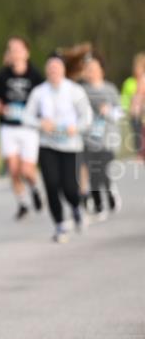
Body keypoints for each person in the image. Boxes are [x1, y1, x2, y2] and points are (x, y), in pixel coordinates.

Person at [22, 55, 93, 243]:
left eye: (57, 68)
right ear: (47, 72)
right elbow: (26, 117)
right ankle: (60, 225)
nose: (53, 72)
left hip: (71, 145)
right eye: (50, 69)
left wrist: (75, 127)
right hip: (48, 146)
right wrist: (40, 123)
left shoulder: (74, 91)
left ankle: (76, 208)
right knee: (51, 185)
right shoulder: (39, 92)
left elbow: (87, 117)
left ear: (63, 71)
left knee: (70, 188)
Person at [0, 36, 44, 220]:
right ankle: (23, 203)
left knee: (27, 171)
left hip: (28, 128)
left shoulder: (35, 76)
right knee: (13, 170)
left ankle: (35, 188)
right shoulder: (2, 76)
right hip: (8, 127)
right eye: (11, 49)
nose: (15, 53)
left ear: (26, 52)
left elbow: (43, 104)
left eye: (18, 49)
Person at [79, 53, 122, 219]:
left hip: (108, 138)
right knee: (93, 171)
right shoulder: (81, 90)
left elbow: (119, 113)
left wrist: (108, 111)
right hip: (90, 138)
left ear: (101, 70)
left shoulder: (110, 88)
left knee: (103, 169)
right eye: (88, 69)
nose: (91, 72)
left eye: (94, 69)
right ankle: (98, 204)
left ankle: (110, 191)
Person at [120, 52, 145, 159]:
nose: (136, 69)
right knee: (136, 136)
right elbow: (124, 99)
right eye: (135, 66)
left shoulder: (143, 80)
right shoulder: (129, 82)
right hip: (133, 114)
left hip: (142, 113)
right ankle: (139, 154)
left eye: (139, 67)